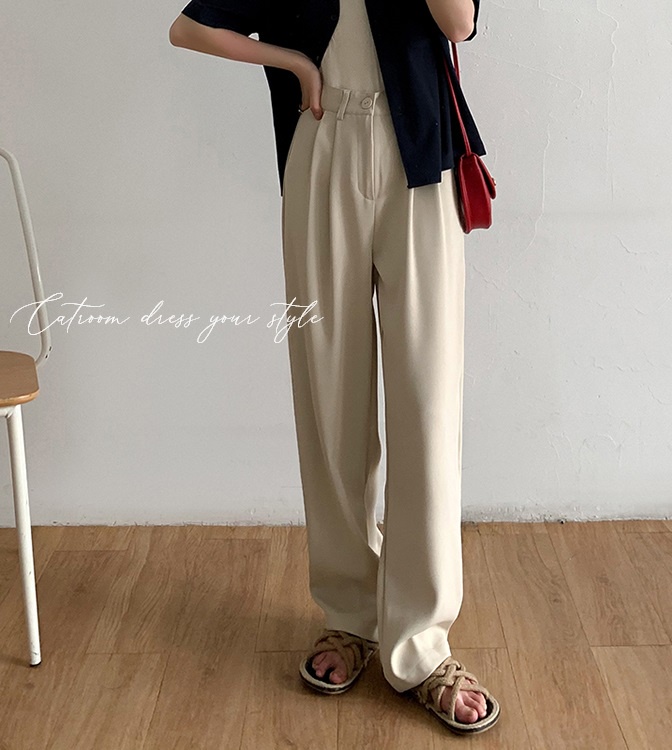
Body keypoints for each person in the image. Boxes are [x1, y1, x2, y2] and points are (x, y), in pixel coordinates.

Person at [169, 0, 500, 735]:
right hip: (319, 148)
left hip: (423, 158)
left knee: (427, 403)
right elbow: (188, 27)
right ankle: (350, 615)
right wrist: (292, 63)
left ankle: (422, 644)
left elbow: (458, 24)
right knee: (329, 396)